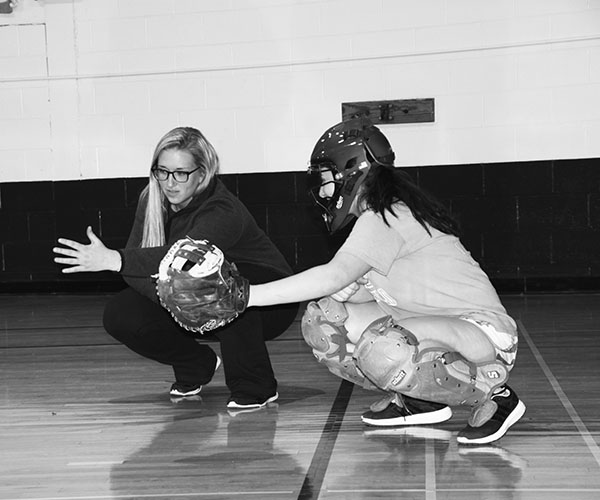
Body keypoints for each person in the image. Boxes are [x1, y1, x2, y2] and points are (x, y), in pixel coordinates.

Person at [245, 117, 526, 445]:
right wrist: (343, 292)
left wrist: (246, 296)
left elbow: (331, 275)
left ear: (351, 172)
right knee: (324, 319)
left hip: (485, 337)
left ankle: (497, 393)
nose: (322, 191)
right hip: (441, 331)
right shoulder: (381, 217)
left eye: (326, 179)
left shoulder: (385, 217)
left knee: (383, 347)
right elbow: (353, 292)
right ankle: (422, 398)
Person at [53, 126, 298, 411]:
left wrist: (114, 260)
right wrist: (170, 298)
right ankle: (196, 365)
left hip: (270, 301)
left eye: (181, 173)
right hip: (193, 293)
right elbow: (137, 263)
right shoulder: (151, 200)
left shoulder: (223, 210)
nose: (170, 183)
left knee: (219, 287)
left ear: (203, 174)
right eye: (163, 171)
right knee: (121, 314)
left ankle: (256, 386)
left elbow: (181, 256)